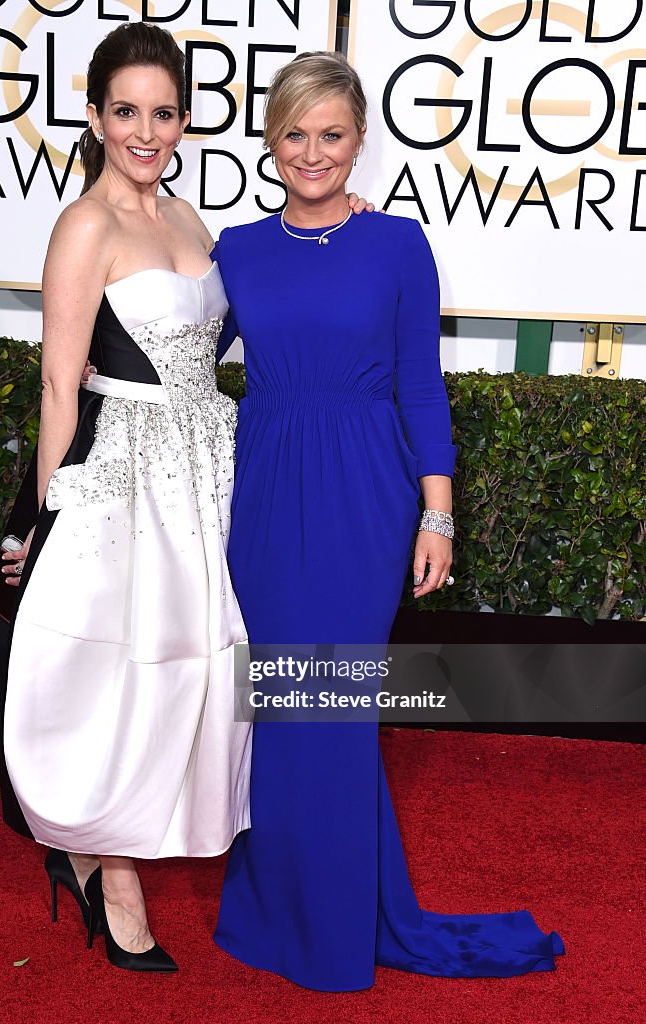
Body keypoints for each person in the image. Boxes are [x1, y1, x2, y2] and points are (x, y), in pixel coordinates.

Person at [211, 52, 565, 991]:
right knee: (286, 707)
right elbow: (171, 362)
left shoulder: (397, 243)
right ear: (270, 139)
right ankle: (286, 904)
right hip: (266, 493)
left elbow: (419, 384)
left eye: (331, 135)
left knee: (332, 707)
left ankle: (328, 922)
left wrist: (436, 514)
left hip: (366, 496)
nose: (312, 153)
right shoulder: (235, 251)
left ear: (359, 141)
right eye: (294, 134)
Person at [0, 22, 254, 973]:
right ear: (97, 116)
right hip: (122, 469)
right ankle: (114, 873)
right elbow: (61, 384)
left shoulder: (188, 220)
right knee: (113, 666)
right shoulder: (86, 225)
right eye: (127, 111)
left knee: (189, 664)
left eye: (165, 112)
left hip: (202, 464)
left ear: (184, 119)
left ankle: (123, 842)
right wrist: (49, 512)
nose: (147, 131)